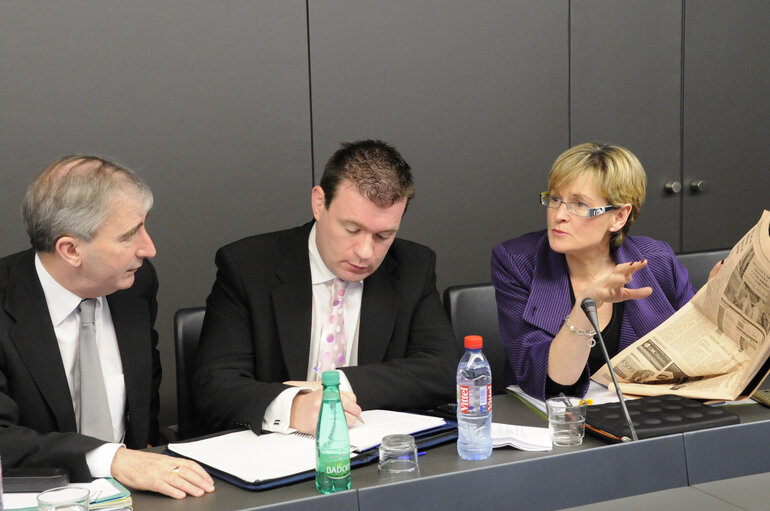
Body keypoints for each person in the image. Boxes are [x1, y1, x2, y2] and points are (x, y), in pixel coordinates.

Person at [194, 139, 457, 435]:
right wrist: (294, 406)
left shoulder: (413, 266)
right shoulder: (248, 266)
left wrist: (335, 386)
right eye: (352, 230)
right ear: (319, 203)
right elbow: (215, 387)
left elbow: (444, 371)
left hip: (370, 451)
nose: (366, 252)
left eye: (384, 236)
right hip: (274, 453)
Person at [0, 156, 214, 499]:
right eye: (129, 235)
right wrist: (112, 460)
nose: (149, 248)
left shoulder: (136, 283)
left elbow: (144, 395)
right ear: (70, 249)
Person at [491, 142, 722, 401]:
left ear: (619, 217)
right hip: (552, 419)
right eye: (555, 199)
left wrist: (713, 308)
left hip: (644, 414)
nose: (559, 215)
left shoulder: (657, 259)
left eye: (579, 204)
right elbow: (552, 382)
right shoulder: (517, 262)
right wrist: (583, 308)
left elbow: (695, 352)